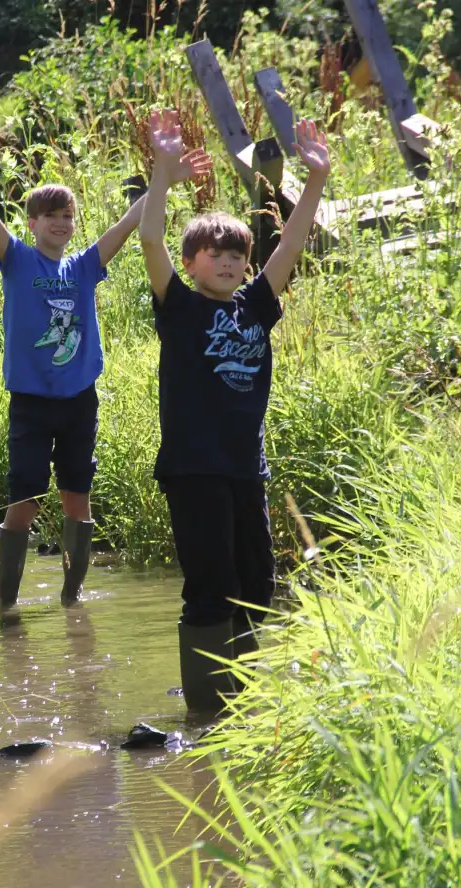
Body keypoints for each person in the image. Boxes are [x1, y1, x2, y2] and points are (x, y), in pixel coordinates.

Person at [0, 122, 209, 616]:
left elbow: (131, 222)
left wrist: (164, 179)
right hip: (29, 404)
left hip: (78, 403)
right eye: (50, 216)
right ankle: (7, 605)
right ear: (32, 223)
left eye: (68, 215)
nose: (61, 223)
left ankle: (72, 602)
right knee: (24, 500)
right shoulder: (18, 261)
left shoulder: (85, 266)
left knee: (77, 500)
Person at [139, 109, 331, 713]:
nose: (226, 262)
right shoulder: (180, 309)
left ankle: (241, 702)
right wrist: (162, 176)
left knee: (257, 587)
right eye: (213, 254)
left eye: (235, 255)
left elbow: (293, 241)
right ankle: (204, 713)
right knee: (210, 590)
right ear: (191, 263)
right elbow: (148, 239)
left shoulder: (255, 306)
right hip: (193, 468)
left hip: (246, 469)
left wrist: (317, 179)